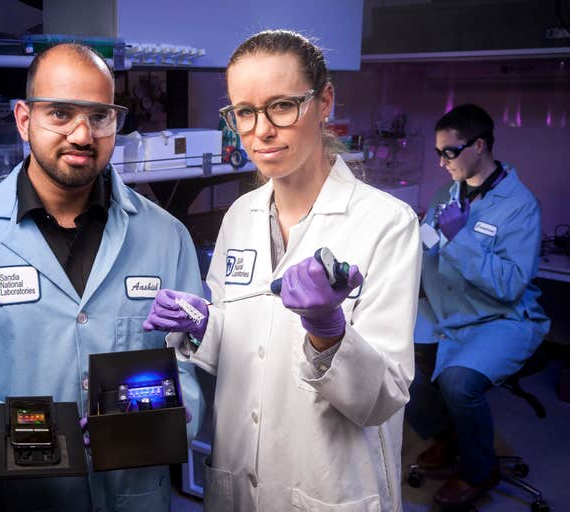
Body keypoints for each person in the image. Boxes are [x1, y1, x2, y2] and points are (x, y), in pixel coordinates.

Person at [0, 42, 204, 511]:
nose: (82, 134)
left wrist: (178, 412)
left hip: (134, 497)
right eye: (59, 113)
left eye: (99, 116)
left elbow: (190, 356)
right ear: (23, 119)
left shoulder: (166, 237)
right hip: (18, 499)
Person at [143, 29, 421, 511]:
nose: (261, 130)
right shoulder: (240, 215)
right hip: (239, 481)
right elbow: (245, 346)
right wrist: (204, 325)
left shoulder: (386, 224)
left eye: (282, 106)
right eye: (244, 112)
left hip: (332, 483)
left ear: (324, 100)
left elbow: (384, 397)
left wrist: (328, 332)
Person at [406, 104, 550, 507]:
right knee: (397, 360)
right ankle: (447, 436)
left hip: (499, 319)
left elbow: (508, 285)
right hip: (447, 311)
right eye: (438, 152)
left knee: (457, 382)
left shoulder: (520, 206)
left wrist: (460, 239)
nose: (441, 161)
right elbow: (429, 249)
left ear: (479, 146)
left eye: (449, 151)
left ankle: (478, 470)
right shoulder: (444, 195)